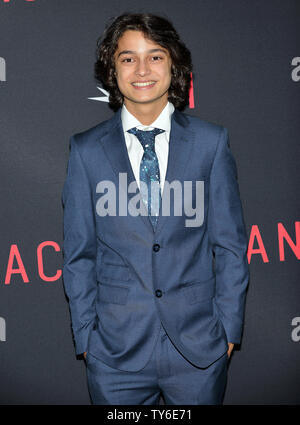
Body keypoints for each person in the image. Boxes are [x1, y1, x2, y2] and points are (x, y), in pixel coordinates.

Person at [61, 13, 249, 405]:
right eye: (128, 58)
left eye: (156, 56)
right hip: (114, 355)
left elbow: (230, 245)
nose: (142, 70)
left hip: (198, 351)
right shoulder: (85, 150)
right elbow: (79, 253)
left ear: (174, 65)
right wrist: (87, 339)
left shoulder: (211, 143)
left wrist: (229, 332)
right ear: (112, 70)